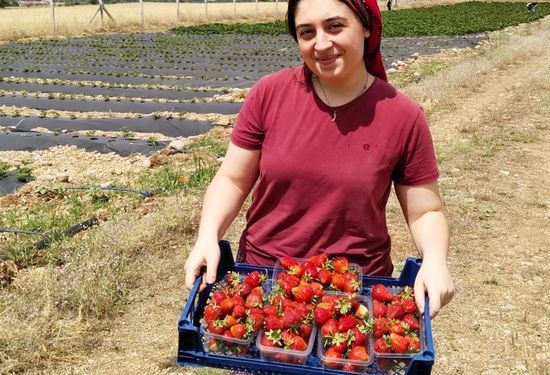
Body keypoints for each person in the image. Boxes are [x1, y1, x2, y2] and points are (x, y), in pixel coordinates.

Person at [184, 0, 454, 318]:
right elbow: (232, 179)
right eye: (307, 32)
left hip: (355, 291)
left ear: (366, 27)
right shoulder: (269, 94)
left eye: (335, 26)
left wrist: (435, 259)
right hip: (262, 284)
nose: (321, 44)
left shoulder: (402, 116)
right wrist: (207, 237)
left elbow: (425, 211)